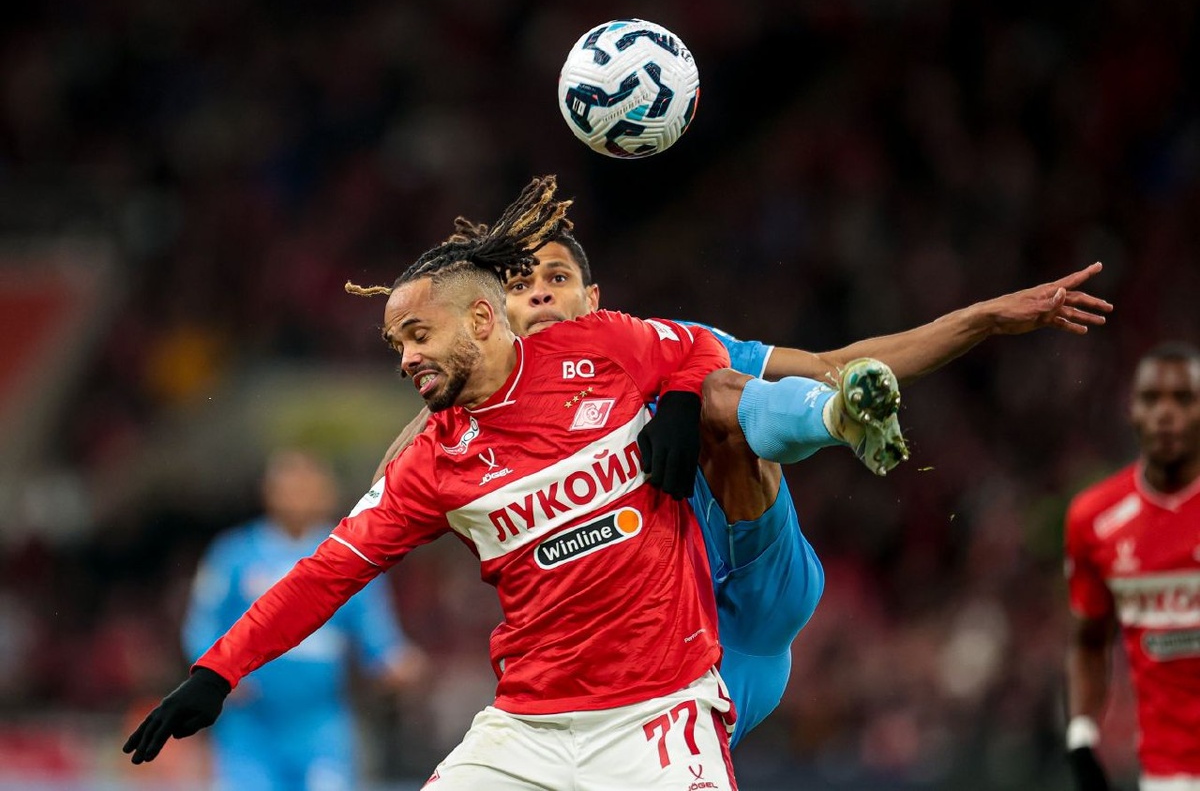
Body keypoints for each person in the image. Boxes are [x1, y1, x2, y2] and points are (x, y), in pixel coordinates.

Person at [123, 176, 894, 789]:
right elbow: (326, 573)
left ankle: (838, 416)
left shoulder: (599, 347)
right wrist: (217, 671)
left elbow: (696, 346)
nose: (405, 358)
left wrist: (685, 400)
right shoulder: (431, 463)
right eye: (395, 344)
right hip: (526, 730)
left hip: (659, 716)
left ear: (482, 321)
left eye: (418, 334)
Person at [365, 188, 1112, 747]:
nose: (538, 291)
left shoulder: (665, 343)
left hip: (754, 584)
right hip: (669, 652)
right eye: (520, 285)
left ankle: (840, 418)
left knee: (715, 389)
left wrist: (979, 318)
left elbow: (833, 360)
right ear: (494, 319)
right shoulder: (479, 420)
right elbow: (392, 490)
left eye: (556, 278)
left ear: (593, 297)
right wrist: (441, 406)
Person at [182, 448, 426, 791]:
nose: (297, 494)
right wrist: (211, 670)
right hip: (251, 725)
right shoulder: (234, 554)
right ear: (268, 491)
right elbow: (201, 623)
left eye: (306, 485)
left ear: (326, 493)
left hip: (320, 723)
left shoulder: (353, 554)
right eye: (288, 484)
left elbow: (377, 634)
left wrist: (395, 663)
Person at [1065, 342, 1200, 791]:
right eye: (1151, 399)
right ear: (1132, 411)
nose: (1166, 414)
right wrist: (1081, 737)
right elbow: (1089, 641)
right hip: (1166, 776)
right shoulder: (1095, 519)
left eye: (1183, 399)